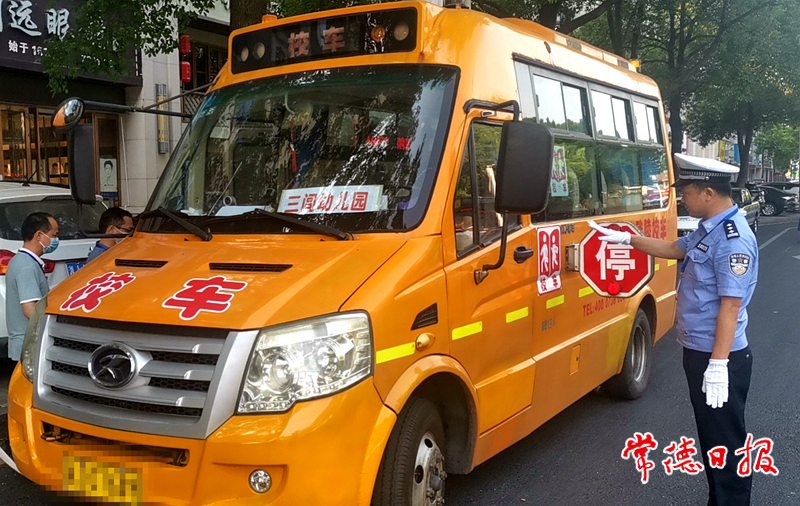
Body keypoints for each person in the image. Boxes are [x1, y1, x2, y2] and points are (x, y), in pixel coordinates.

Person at [590, 154, 758, 506]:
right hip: (700, 351)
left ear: (708, 193)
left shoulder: (732, 239)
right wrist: (627, 239)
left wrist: (718, 365)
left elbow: (730, 307)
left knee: (725, 441)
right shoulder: (710, 227)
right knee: (712, 438)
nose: (683, 200)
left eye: (687, 193)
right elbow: (672, 249)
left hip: (718, 356)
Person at [5, 212, 59, 361]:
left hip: (26, 345)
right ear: (39, 235)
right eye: (54, 235)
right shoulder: (26, 266)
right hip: (30, 346)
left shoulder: (21, 261)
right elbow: (30, 310)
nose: (56, 240)